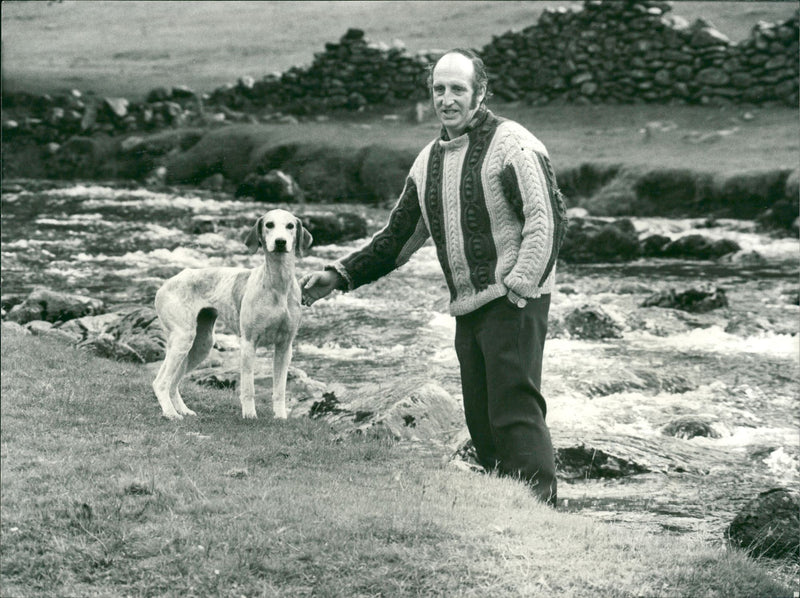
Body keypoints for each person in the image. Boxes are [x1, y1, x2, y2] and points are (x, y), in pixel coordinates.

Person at [300, 48, 568, 506]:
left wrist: (519, 289)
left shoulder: (513, 144)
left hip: (514, 300)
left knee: (515, 412)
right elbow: (397, 239)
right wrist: (339, 275)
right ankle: (507, 511)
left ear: (480, 93)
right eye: (439, 89)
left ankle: (541, 512)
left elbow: (548, 218)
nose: (447, 98)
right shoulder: (428, 162)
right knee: (482, 420)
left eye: (458, 89)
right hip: (469, 308)